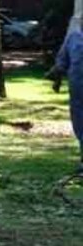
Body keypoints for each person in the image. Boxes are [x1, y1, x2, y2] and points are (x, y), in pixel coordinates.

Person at [48, 25, 83, 173]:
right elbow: (63, 60)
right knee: (80, 126)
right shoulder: (74, 37)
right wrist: (56, 77)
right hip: (78, 92)